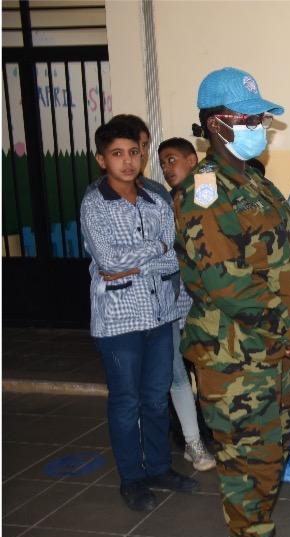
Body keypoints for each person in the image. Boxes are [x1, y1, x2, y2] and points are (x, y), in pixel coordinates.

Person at [173, 67, 290, 537]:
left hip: (269, 348)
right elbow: (226, 282)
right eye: (250, 119)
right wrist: (288, 330)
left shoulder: (252, 180)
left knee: (268, 450)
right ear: (217, 124)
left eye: (261, 119)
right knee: (246, 457)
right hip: (234, 356)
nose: (260, 127)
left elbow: (286, 262)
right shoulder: (204, 193)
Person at [80, 118, 198, 512]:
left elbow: (173, 257)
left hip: (160, 315)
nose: (128, 161)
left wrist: (141, 259)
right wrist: (155, 249)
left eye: (134, 152)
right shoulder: (94, 204)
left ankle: (160, 468)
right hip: (119, 321)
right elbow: (108, 262)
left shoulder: (156, 200)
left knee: (155, 397)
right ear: (102, 160)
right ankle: (132, 478)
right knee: (126, 401)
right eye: (117, 154)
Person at [157, 137, 214, 472]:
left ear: (192, 160)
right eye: (163, 163)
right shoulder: (165, 200)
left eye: (172, 159)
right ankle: (192, 439)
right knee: (179, 375)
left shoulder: (204, 188)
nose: (167, 168)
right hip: (174, 304)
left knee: (206, 376)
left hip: (200, 303)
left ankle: (208, 435)